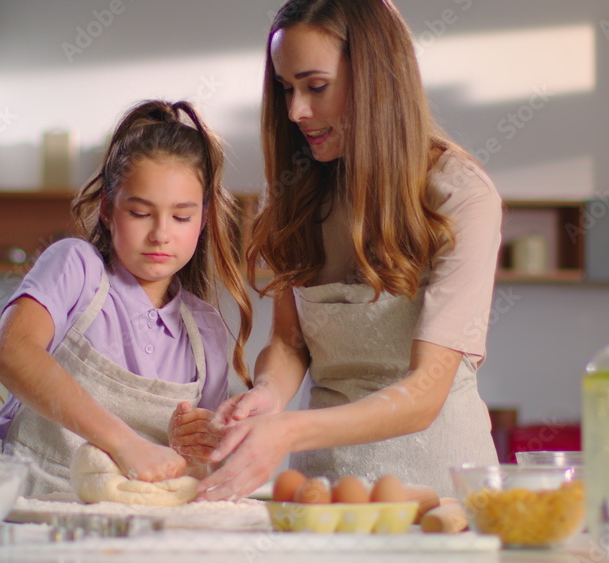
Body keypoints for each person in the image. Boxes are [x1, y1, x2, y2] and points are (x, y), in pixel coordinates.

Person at [192, 0, 502, 501]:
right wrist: (267, 398)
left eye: (316, 87)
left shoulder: (461, 197)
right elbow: (290, 343)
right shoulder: (295, 190)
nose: (296, 111)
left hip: (438, 491)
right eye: (286, 89)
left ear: (379, 78)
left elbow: (426, 394)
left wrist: (288, 431)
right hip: (323, 488)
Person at [0, 100, 252, 495]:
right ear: (109, 211)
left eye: (181, 216)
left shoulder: (206, 328)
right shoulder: (76, 268)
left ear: (204, 219)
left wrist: (196, 446)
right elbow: (11, 353)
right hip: (39, 517)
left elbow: (203, 468)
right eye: (141, 213)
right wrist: (126, 444)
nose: (161, 233)